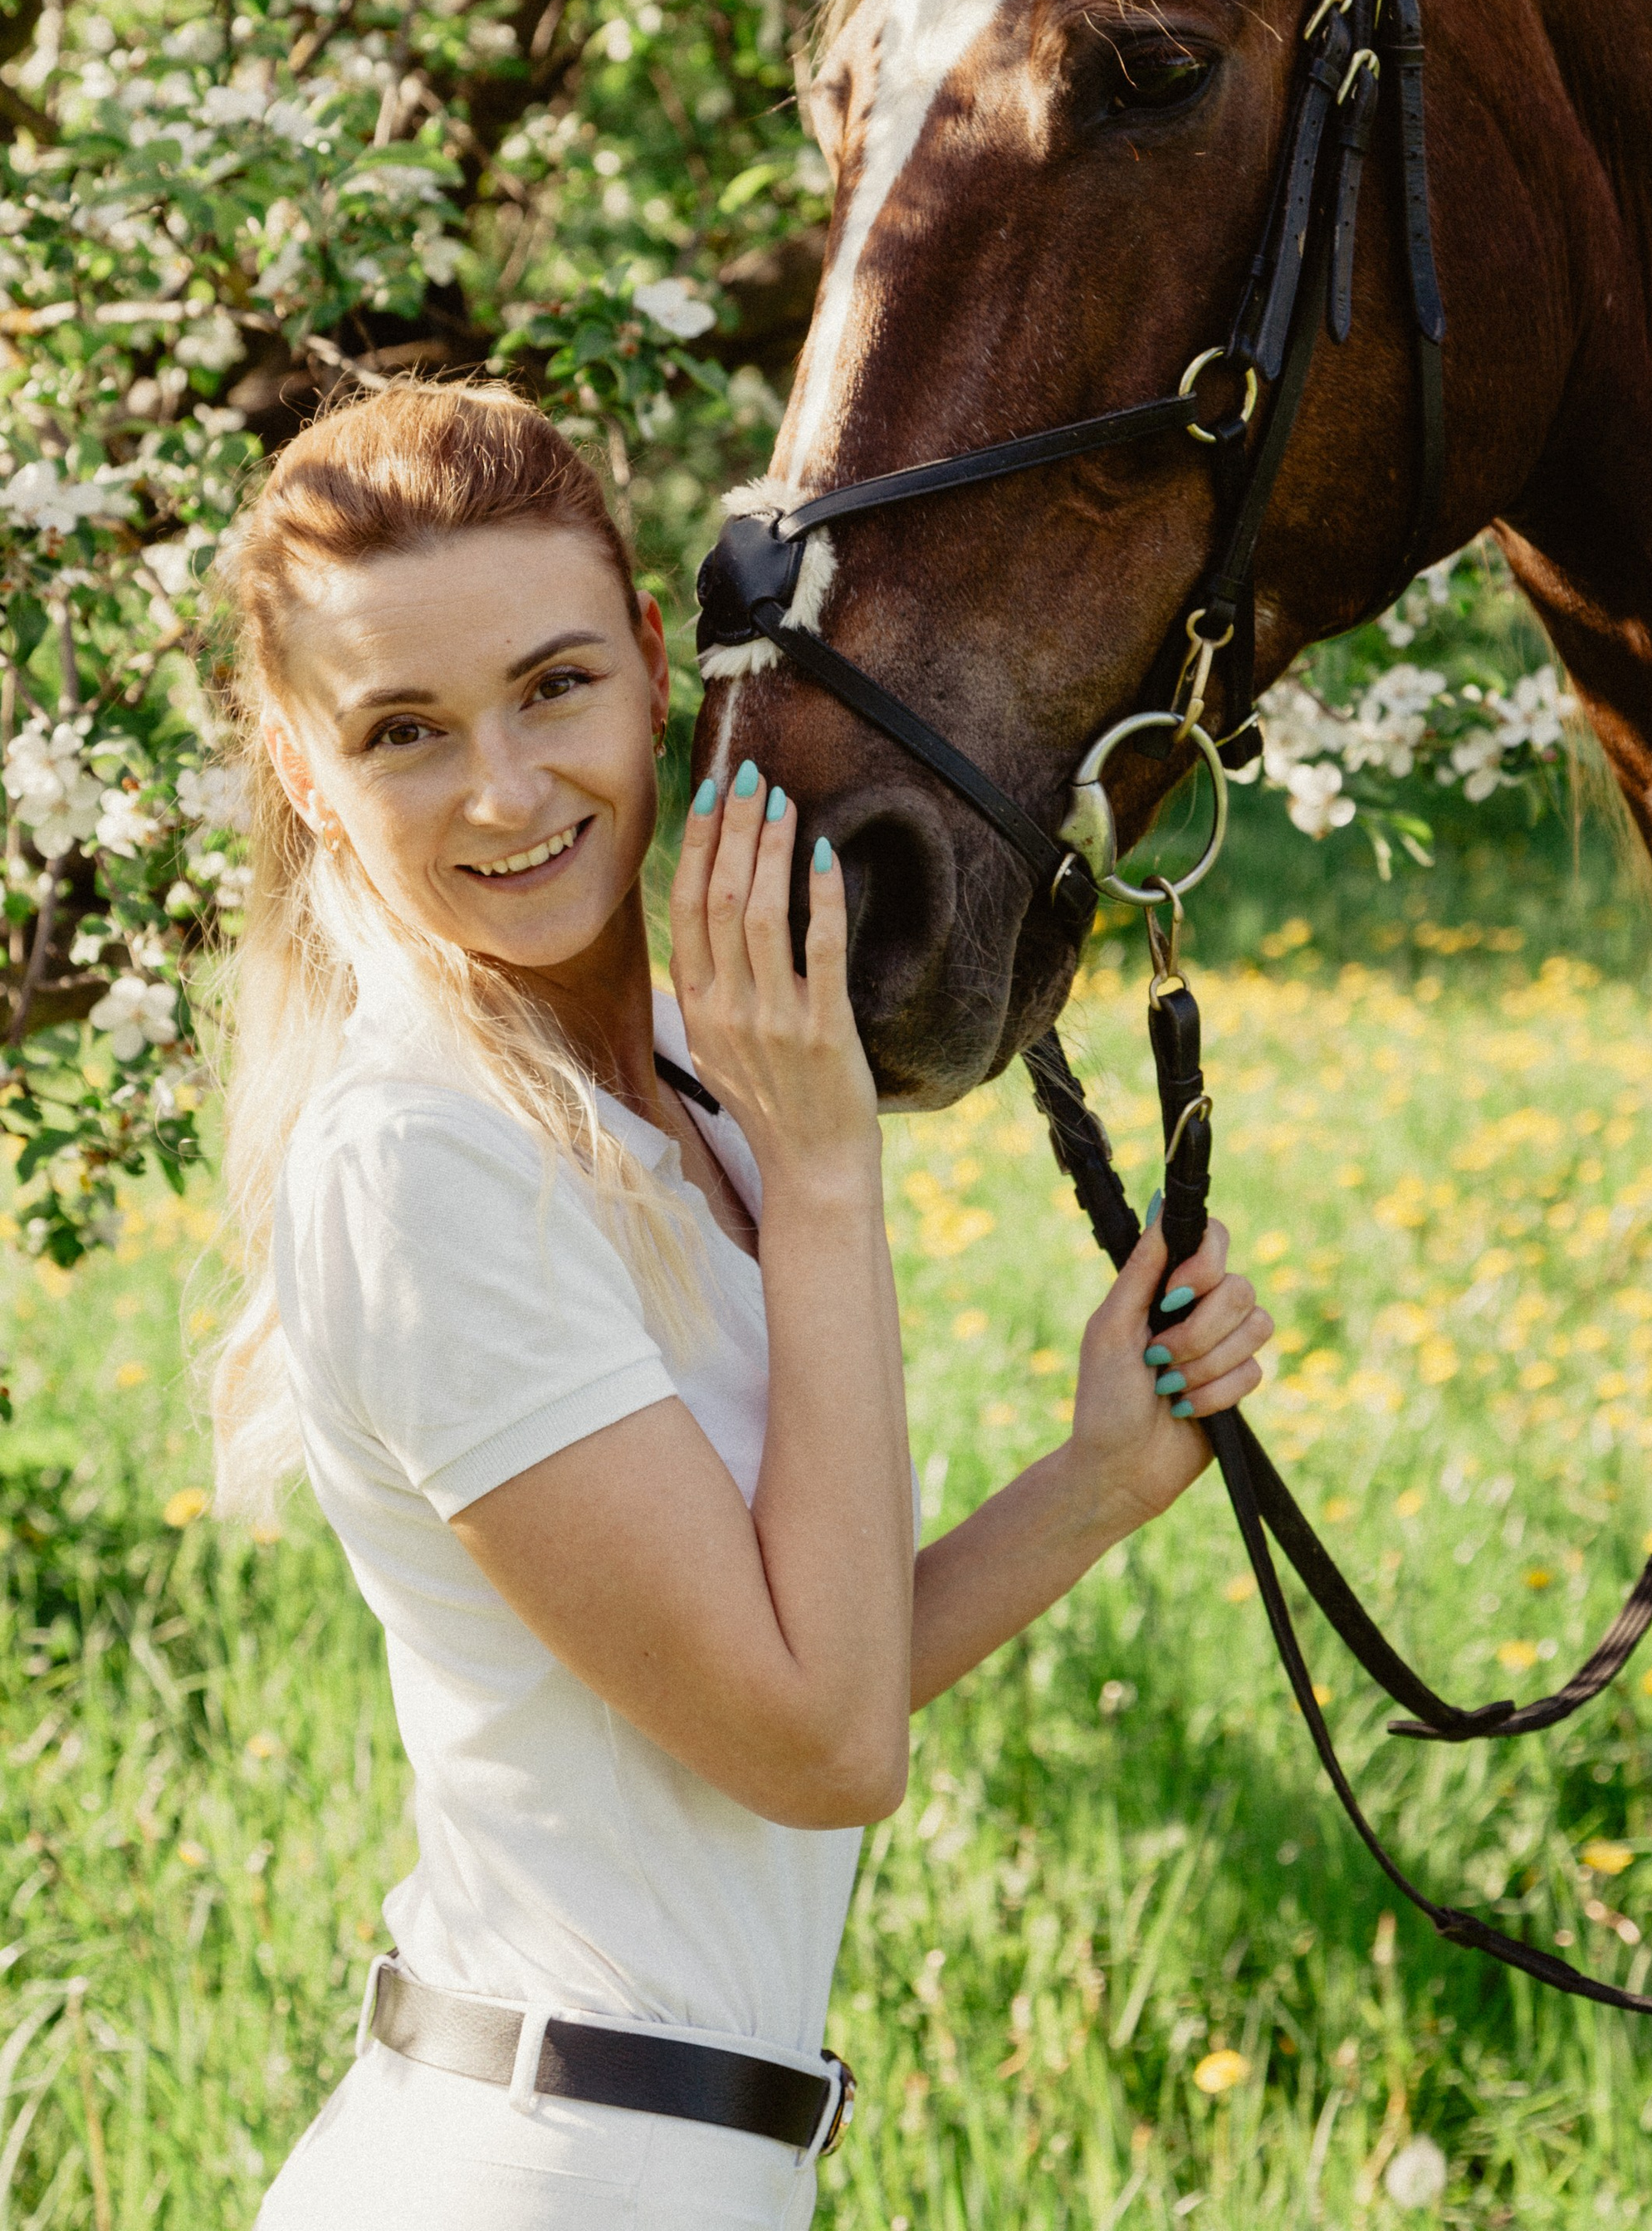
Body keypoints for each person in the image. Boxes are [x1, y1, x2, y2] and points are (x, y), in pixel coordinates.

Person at [209, 379, 1272, 2231]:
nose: (507, 792)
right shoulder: (418, 1167)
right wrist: (832, 1176)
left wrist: (1096, 1480)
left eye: (553, 687)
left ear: (647, 660)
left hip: (675, 2160)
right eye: (402, 731)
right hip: (538, 2170)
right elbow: (823, 1747)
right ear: (304, 772)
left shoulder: (696, 1069)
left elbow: (799, 1663)